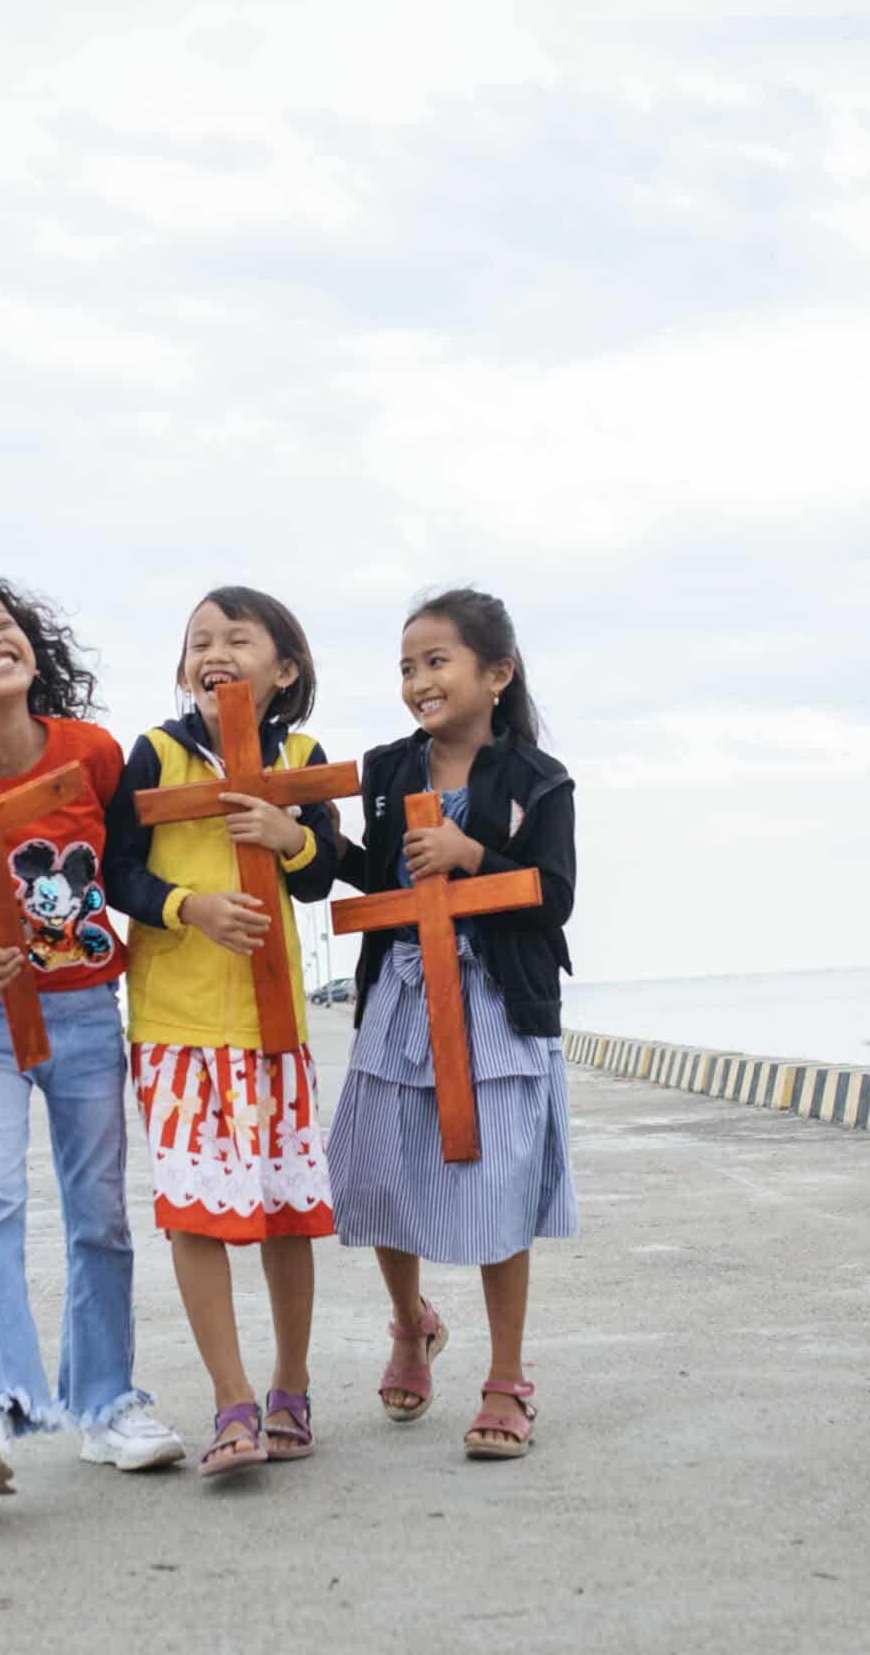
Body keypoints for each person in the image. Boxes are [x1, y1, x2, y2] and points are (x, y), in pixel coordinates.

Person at [0, 566, 185, 1493]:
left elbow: (134, 862)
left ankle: (105, 1402)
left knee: (101, 1214)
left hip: (90, 1009)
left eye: (0, 622)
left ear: (32, 642)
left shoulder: (90, 752)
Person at [324, 588, 577, 1461]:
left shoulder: (537, 780)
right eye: (406, 666)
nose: (419, 680)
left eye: (438, 661)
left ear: (496, 674)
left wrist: (473, 855)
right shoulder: (391, 770)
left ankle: (507, 1377)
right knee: (380, 1170)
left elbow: (554, 893)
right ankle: (410, 1321)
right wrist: (296, 841)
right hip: (401, 992)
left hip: (498, 1006)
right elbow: (365, 870)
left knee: (498, 1187)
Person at [105, 586, 342, 1477]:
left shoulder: (307, 757)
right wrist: (188, 906)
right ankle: (232, 1399)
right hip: (176, 1021)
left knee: (285, 1212)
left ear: (285, 668)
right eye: (199, 640)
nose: (214, 652)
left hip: (274, 1022)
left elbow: (319, 881)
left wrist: (291, 835)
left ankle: (291, 1383)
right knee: (195, 1215)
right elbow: (116, 872)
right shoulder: (156, 753)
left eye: (236, 639)